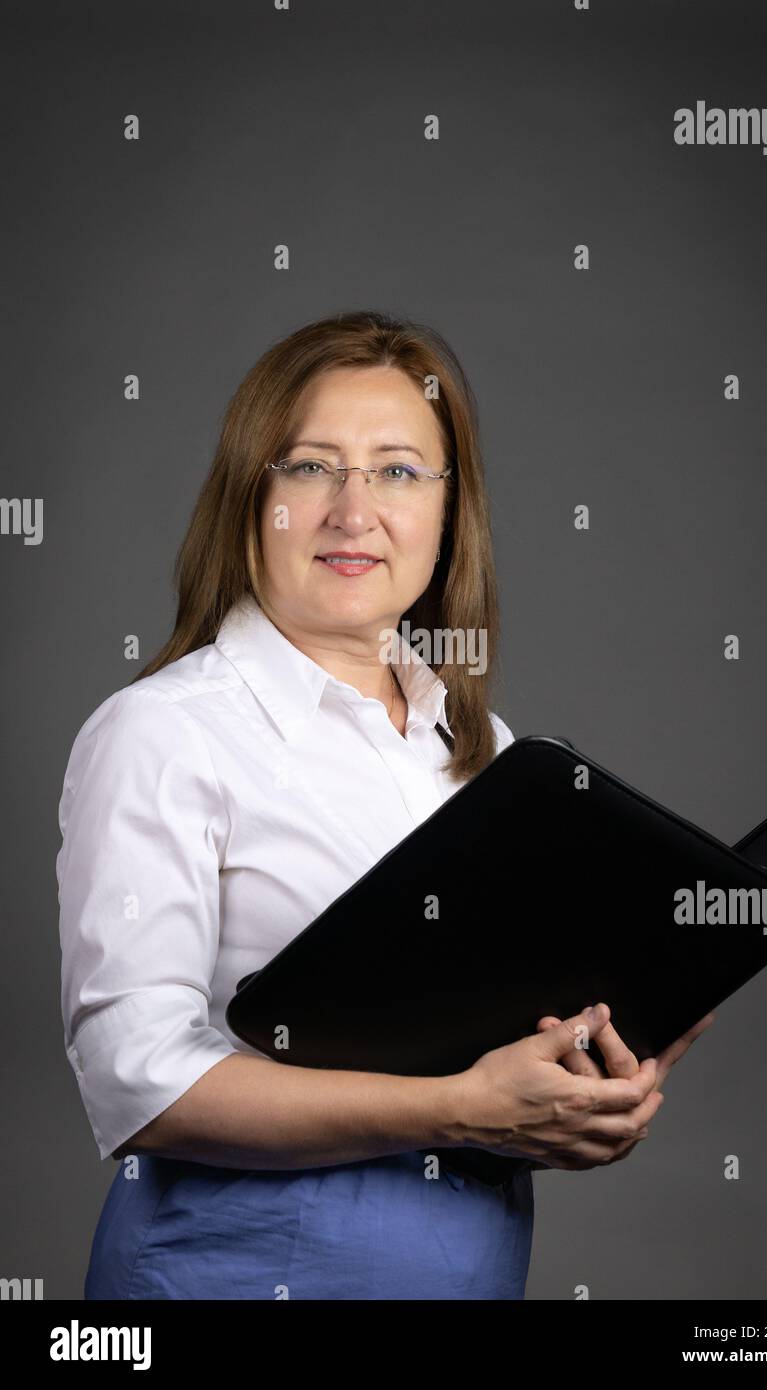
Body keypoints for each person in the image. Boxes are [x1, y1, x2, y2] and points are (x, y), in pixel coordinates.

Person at [57, 309, 713, 1300]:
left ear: (450, 514)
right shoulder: (160, 733)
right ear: (251, 497)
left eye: (400, 470)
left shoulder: (487, 754)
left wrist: (578, 1101)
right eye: (311, 466)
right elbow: (138, 1082)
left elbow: (489, 1063)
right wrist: (458, 1108)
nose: (353, 509)